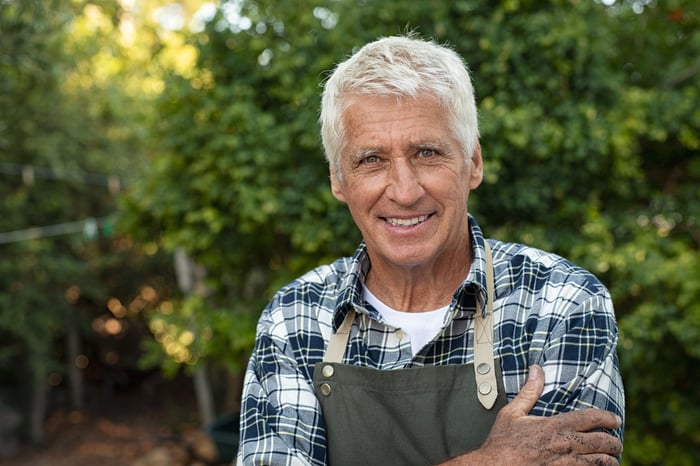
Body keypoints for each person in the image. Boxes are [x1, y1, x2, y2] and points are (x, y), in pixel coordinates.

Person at [237, 35, 624, 466]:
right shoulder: (294, 319)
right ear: (338, 180)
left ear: (473, 163)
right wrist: (487, 462)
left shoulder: (563, 302)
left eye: (427, 152)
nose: (404, 192)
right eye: (371, 160)